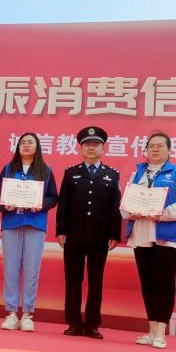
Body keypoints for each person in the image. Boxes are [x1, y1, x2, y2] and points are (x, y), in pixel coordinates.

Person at [121, 131, 176, 349]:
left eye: (160, 146)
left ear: (169, 150)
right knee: (148, 284)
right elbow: (126, 201)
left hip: (168, 237)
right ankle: (151, 330)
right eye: (151, 146)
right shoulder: (137, 173)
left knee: (164, 283)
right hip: (141, 234)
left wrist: (163, 214)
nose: (155, 150)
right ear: (146, 150)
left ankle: (161, 333)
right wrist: (130, 212)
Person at [56, 126, 122, 340]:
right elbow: (63, 204)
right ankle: (74, 323)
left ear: (103, 148)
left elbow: (115, 207)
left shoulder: (112, 175)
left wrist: (115, 234)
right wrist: (60, 231)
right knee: (72, 280)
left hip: (100, 237)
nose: (91, 148)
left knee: (96, 281)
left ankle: (92, 324)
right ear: (81, 148)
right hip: (73, 235)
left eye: (95, 145)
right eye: (87, 145)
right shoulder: (71, 173)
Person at [0, 132, 58, 332]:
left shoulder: (45, 170)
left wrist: (40, 205)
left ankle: (27, 314)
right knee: (11, 268)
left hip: (35, 224)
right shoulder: (8, 169)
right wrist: (5, 206)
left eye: (30, 142)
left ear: (37, 146)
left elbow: (53, 197)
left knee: (32, 270)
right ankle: (11, 313)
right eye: (22, 142)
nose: (26, 145)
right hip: (12, 223)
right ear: (18, 146)